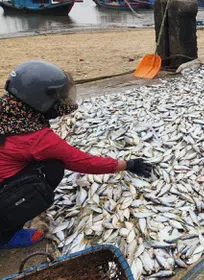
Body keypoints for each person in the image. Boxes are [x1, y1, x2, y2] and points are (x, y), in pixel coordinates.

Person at [0, 61, 153, 249]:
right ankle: (5, 235)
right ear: (39, 100)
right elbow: (84, 162)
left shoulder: (8, 110)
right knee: (52, 168)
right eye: (59, 98)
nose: (62, 101)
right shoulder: (36, 138)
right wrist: (128, 165)